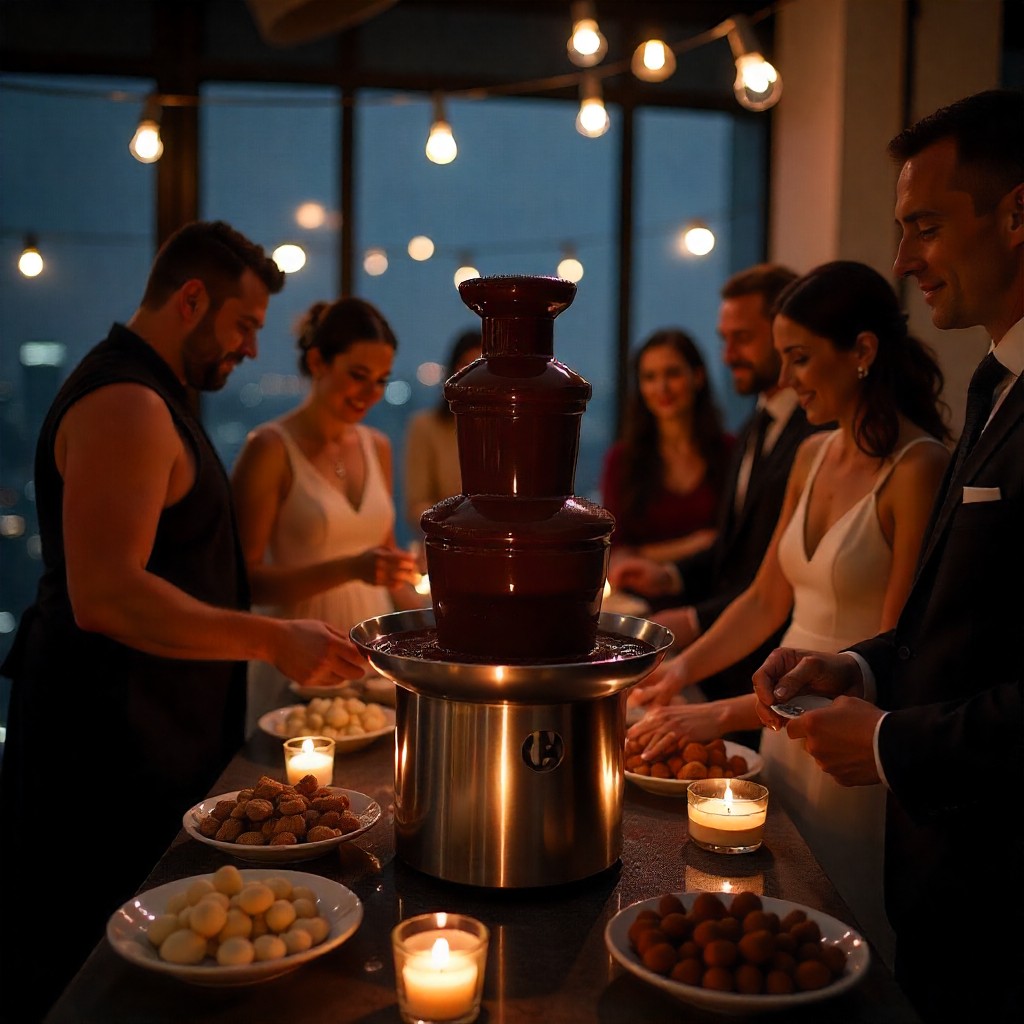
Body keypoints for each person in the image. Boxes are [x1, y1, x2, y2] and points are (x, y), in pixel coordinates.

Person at [0, 220, 369, 1022]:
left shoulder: (158, 392)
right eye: (243, 325)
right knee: (93, 974)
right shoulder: (126, 400)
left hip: (141, 732)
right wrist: (273, 636)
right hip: (99, 748)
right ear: (191, 298)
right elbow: (108, 595)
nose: (248, 348)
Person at [749, 90, 1024, 1023]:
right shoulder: (994, 382)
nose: (903, 261)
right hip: (939, 874)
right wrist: (856, 665)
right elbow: (961, 624)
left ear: (1018, 215)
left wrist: (886, 740)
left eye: (926, 227)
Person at [629, 260, 951, 965]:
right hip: (779, 733)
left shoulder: (919, 466)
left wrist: (718, 713)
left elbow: (892, 653)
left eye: (801, 358)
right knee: (773, 931)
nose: (790, 377)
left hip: (843, 745)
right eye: (784, 360)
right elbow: (765, 601)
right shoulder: (810, 453)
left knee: (843, 941)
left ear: (862, 352)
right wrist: (675, 670)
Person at [608, 264, 814, 711]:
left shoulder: (812, 433)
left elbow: (772, 575)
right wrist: (670, 573)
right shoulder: (755, 428)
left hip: (779, 662)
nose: (727, 355)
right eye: (724, 340)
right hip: (727, 649)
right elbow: (734, 550)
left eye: (741, 338)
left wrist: (691, 618)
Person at [231, 297, 420, 733]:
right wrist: (352, 567)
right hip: (296, 654)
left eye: (381, 381)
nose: (370, 393)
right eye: (358, 376)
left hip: (367, 657)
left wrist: (432, 627)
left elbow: (388, 564)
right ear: (318, 361)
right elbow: (247, 579)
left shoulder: (378, 446)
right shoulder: (270, 448)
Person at [601, 328, 734, 568]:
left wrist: (646, 554)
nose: (661, 388)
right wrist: (692, 545)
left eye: (672, 374)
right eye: (649, 377)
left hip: (716, 594)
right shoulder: (622, 460)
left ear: (698, 376)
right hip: (639, 598)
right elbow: (613, 552)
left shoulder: (730, 451)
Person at [403, 328, 482, 534]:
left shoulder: (507, 432)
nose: (474, 379)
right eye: (467, 366)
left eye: (482, 369)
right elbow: (417, 504)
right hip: (446, 543)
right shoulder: (426, 426)